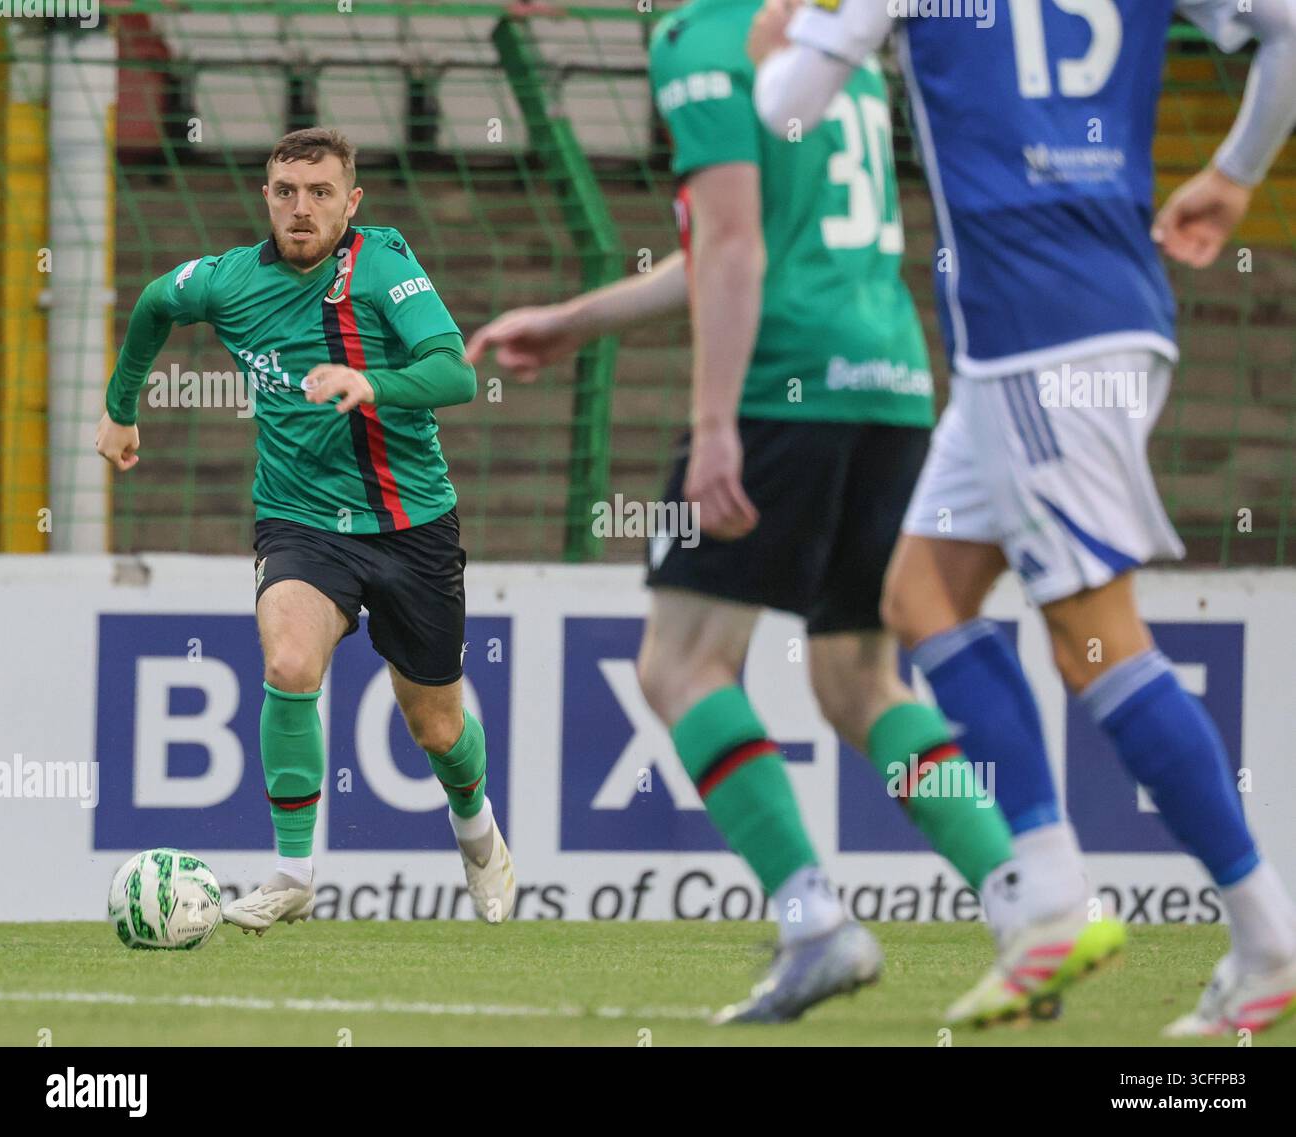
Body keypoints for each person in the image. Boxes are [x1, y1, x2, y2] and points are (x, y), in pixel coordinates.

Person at [469, 0, 1039, 1024]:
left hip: (784, 385)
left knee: (679, 665)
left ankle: (815, 923)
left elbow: (735, 248)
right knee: (857, 678)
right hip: (892, 383)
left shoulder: (699, 39)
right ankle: (1022, 904)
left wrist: (715, 424)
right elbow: (749, 243)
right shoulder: (829, 38)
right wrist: (575, 321)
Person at [754, 0, 1296, 1034]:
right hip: (1083, 320)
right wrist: (1233, 174)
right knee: (921, 596)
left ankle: (1266, 935)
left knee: (1095, 636)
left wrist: (810, 22)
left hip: (1040, 340)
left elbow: (783, 108)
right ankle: (1047, 899)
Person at [96, 128, 515, 933]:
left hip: (410, 523)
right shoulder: (227, 280)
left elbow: (456, 371)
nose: (301, 207)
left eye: (320, 192)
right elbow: (153, 303)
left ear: (350, 202)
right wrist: (121, 409)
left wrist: (372, 382)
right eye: (286, 191)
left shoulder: (384, 264)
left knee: (437, 726)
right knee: (289, 661)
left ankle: (479, 833)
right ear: (266, 197)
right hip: (300, 521)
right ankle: (294, 871)